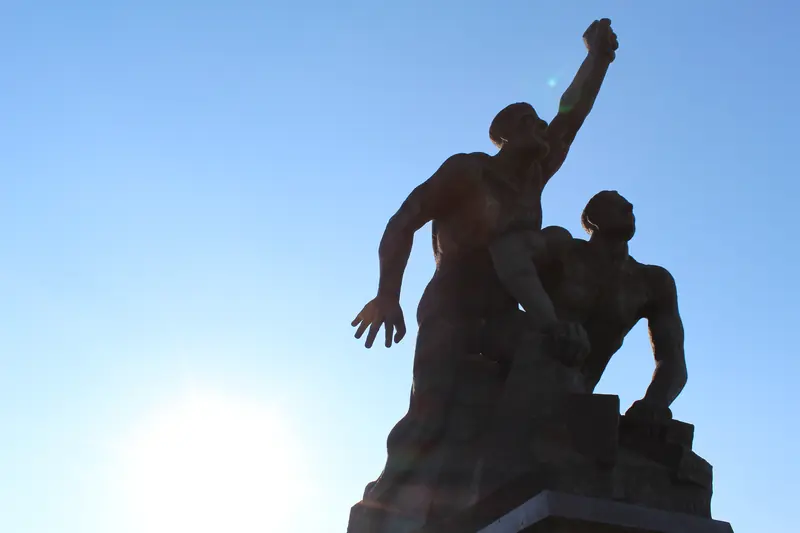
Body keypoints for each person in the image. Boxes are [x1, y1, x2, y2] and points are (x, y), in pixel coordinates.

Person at [350, 19, 619, 521]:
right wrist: (389, 294)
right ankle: (379, 509)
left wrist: (598, 57)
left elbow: (573, 114)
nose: (546, 131)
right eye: (534, 123)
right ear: (510, 131)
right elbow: (403, 221)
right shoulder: (468, 171)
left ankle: (531, 478)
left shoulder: (536, 174)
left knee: (553, 361)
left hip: (502, 308)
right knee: (430, 419)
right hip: (451, 305)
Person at [490, 190, 688, 422]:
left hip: (577, 397)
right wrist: (551, 324)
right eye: (616, 204)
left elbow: (672, 360)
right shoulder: (563, 250)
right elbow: (507, 249)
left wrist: (655, 401)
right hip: (520, 377)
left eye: (628, 205)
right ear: (593, 218)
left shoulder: (651, 282)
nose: (629, 207)